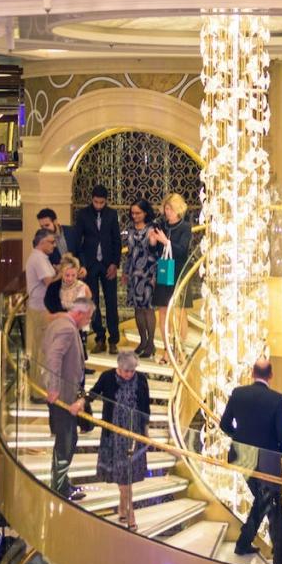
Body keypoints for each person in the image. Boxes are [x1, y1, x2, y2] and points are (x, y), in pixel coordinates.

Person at [220, 358, 282, 564]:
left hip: (242, 456)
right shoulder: (276, 399)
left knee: (263, 501)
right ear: (271, 375)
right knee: (273, 505)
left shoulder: (238, 393)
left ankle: (243, 543)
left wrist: (239, 438)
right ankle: (280, 561)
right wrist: (276, 450)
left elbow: (224, 424)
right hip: (267, 460)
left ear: (252, 373)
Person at [44, 297, 95, 500]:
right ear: (80, 313)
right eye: (88, 317)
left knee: (67, 441)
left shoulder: (59, 323)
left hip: (66, 396)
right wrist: (54, 387)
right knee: (66, 442)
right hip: (62, 398)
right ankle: (59, 488)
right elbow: (53, 357)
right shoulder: (66, 328)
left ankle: (62, 483)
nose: (88, 322)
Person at [93, 351, 151, 531]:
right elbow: (93, 393)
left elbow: (145, 406)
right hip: (114, 432)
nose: (129, 374)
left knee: (128, 472)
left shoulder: (141, 379)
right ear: (118, 367)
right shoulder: (107, 377)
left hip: (134, 431)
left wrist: (146, 431)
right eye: (126, 371)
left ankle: (123, 506)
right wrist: (81, 403)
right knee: (122, 472)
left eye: (132, 371)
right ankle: (129, 511)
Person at [75, 185, 122, 355]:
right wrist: (82, 264)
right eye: (96, 202)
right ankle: (99, 337)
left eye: (102, 202)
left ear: (106, 201)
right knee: (93, 303)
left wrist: (115, 264)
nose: (99, 205)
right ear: (92, 199)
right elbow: (77, 241)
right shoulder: (83, 215)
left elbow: (117, 240)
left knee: (111, 302)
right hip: (90, 266)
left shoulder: (111, 214)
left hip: (108, 264)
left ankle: (113, 340)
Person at [149, 193, 192, 365]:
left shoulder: (185, 227)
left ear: (178, 209)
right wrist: (153, 241)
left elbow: (182, 251)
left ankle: (180, 348)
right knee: (163, 311)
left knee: (180, 312)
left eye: (170, 209)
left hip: (179, 272)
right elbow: (155, 251)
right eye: (166, 208)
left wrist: (166, 241)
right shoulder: (161, 226)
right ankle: (167, 350)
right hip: (164, 270)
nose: (167, 212)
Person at [124, 199, 159, 358]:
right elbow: (129, 253)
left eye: (138, 213)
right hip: (134, 273)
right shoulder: (130, 230)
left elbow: (156, 251)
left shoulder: (152, 229)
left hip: (148, 272)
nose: (135, 215)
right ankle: (143, 340)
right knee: (137, 308)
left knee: (148, 308)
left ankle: (151, 343)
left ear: (145, 212)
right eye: (133, 213)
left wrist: (152, 242)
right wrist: (125, 272)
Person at [26, 228, 59, 385]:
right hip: (40, 309)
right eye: (51, 242)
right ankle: (38, 388)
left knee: (43, 349)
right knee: (41, 350)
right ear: (42, 242)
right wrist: (64, 273)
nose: (54, 245)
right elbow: (49, 282)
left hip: (42, 308)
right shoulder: (38, 258)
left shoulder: (41, 258)